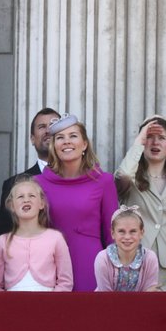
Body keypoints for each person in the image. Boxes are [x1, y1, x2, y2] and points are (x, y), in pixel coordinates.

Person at [36, 114, 118, 291]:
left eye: (73, 136)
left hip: (91, 264)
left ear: (85, 144)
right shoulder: (38, 184)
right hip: (49, 264)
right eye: (60, 138)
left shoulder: (104, 181)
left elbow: (112, 233)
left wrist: (115, 272)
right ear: (53, 146)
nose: (66, 142)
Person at [114, 116, 166, 290]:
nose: (155, 142)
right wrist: (139, 139)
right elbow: (121, 175)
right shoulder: (131, 180)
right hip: (135, 264)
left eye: (162, 138)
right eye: (149, 137)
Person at [0, 177, 73, 291]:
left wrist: (52, 302)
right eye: (20, 197)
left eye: (32, 196)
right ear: (12, 206)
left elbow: (66, 282)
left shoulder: (56, 238)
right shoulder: (2, 242)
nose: (26, 200)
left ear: (41, 204)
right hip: (12, 305)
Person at [0, 107, 60, 235]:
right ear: (32, 138)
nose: (48, 130)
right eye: (42, 127)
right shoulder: (12, 184)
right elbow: (6, 232)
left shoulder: (83, 178)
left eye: (53, 125)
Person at [94, 205, 160, 292]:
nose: (127, 237)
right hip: (107, 304)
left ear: (141, 233)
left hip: (142, 305)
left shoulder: (150, 258)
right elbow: (105, 298)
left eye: (133, 231)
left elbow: (149, 295)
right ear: (112, 233)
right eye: (121, 231)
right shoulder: (103, 258)